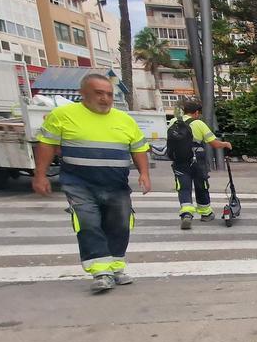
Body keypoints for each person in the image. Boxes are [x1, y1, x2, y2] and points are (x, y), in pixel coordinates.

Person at [33, 74, 150, 294]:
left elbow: (138, 148)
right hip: (79, 183)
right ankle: (100, 271)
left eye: (109, 94)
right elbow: (46, 144)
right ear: (83, 93)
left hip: (116, 183)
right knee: (88, 223)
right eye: (99, 93)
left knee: (121, 223)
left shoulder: (124, 120)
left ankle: (116, 266)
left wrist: (144, 173)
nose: (105, 98)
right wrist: (40, 175)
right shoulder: (62, 115)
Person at [172, 99, 233, 228]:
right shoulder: (199, 123)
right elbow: (214, 143)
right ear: (196, 112)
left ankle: (186, 214)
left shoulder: (173, 122)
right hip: (197, 159)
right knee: (201, 185)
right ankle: (206, 214)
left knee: (183, 187)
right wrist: (225, 144)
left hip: (179, 160)